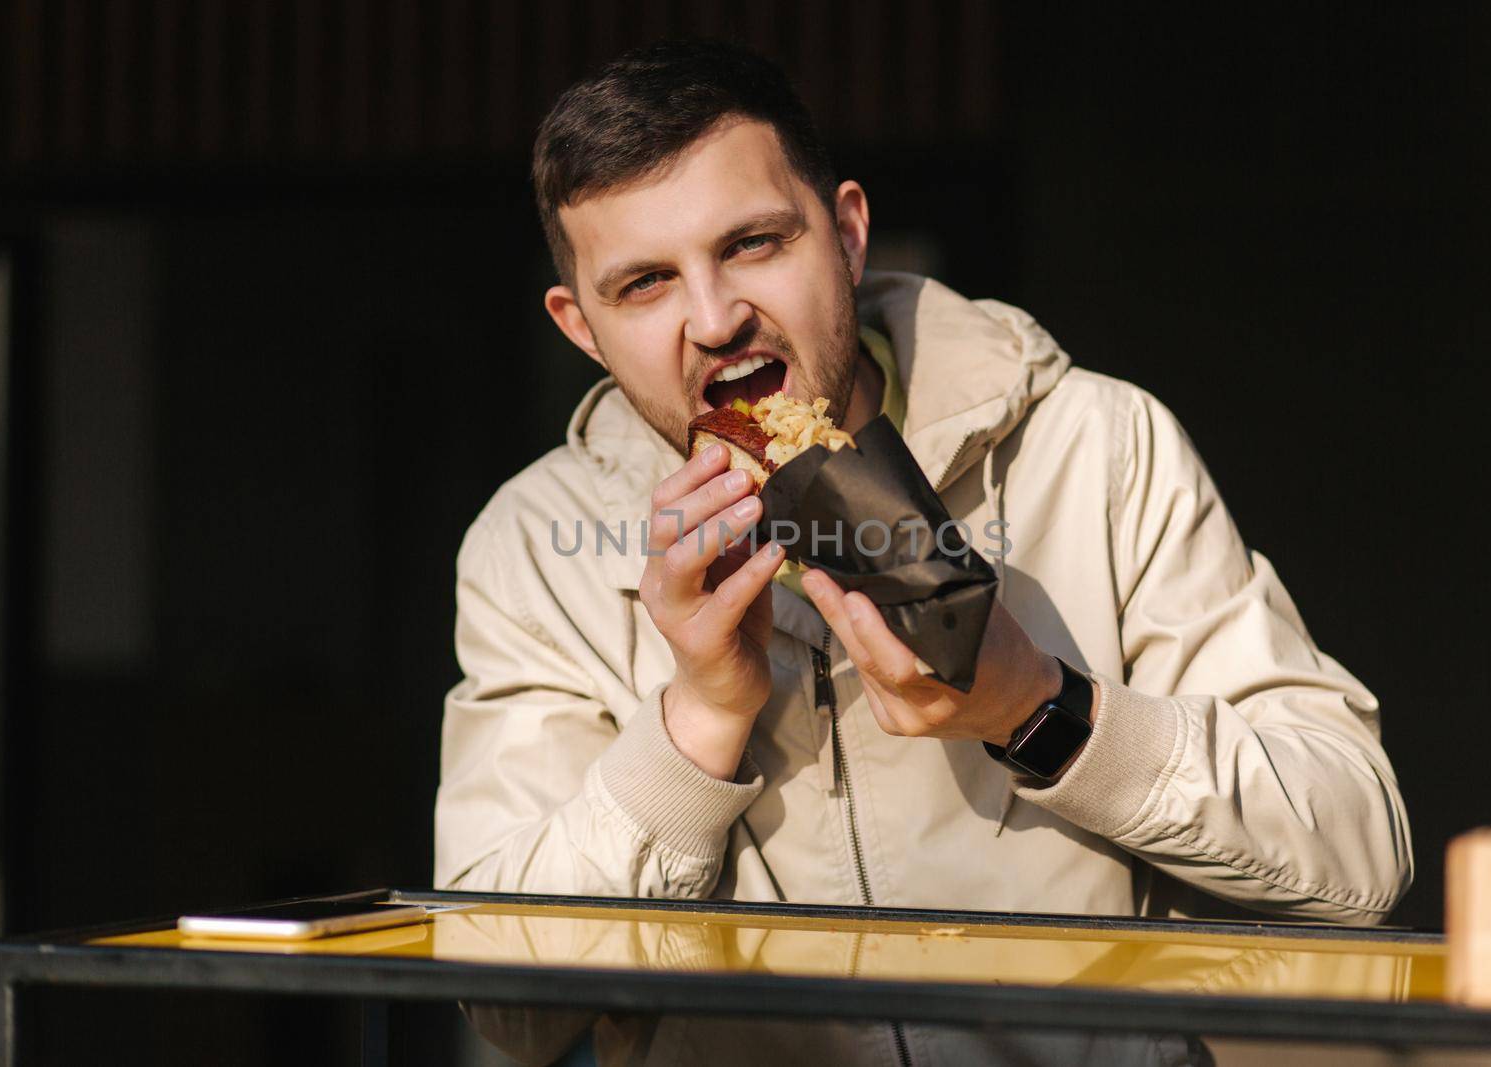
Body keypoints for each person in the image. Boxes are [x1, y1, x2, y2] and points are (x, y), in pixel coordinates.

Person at [434, 39, 1412, 1066]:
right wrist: (694, 721)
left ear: (848, 235)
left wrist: (1039, 707)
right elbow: (507, 1009)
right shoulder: (533, 544)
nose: (715, 319)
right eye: (643, 284)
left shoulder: (1096, 443)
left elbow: (1357, 852)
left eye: (755, 243)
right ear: (579, 326)